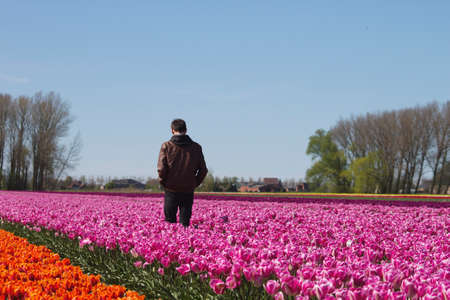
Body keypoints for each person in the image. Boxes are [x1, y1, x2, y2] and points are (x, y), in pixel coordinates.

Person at [157, 119, 208, 227]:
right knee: (185, 223)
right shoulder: (196, 147)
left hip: (171, 189)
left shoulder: (166, 146)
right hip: (188, 190)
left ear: (172, 130)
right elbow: (203, 170)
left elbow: (161, 169)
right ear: (186, 130)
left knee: (170, 222)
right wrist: (194, 183)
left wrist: (164, 183)